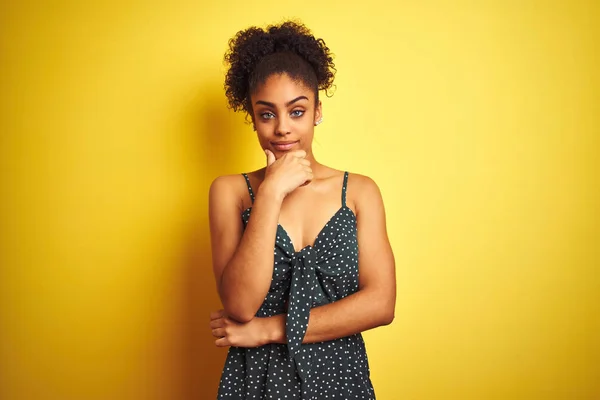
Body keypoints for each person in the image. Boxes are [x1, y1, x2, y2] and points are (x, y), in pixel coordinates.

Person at [208, 20, 396, 400]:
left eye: (296, 111)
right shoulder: (231, 192)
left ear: (317, 112)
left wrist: (268, 330)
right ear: (253, 118)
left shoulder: (359, 191)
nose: (282, 129)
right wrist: (272, 192)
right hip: (255, 382)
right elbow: (240, 305)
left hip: (341, 379)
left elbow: (381, 304)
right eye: (266, 114)